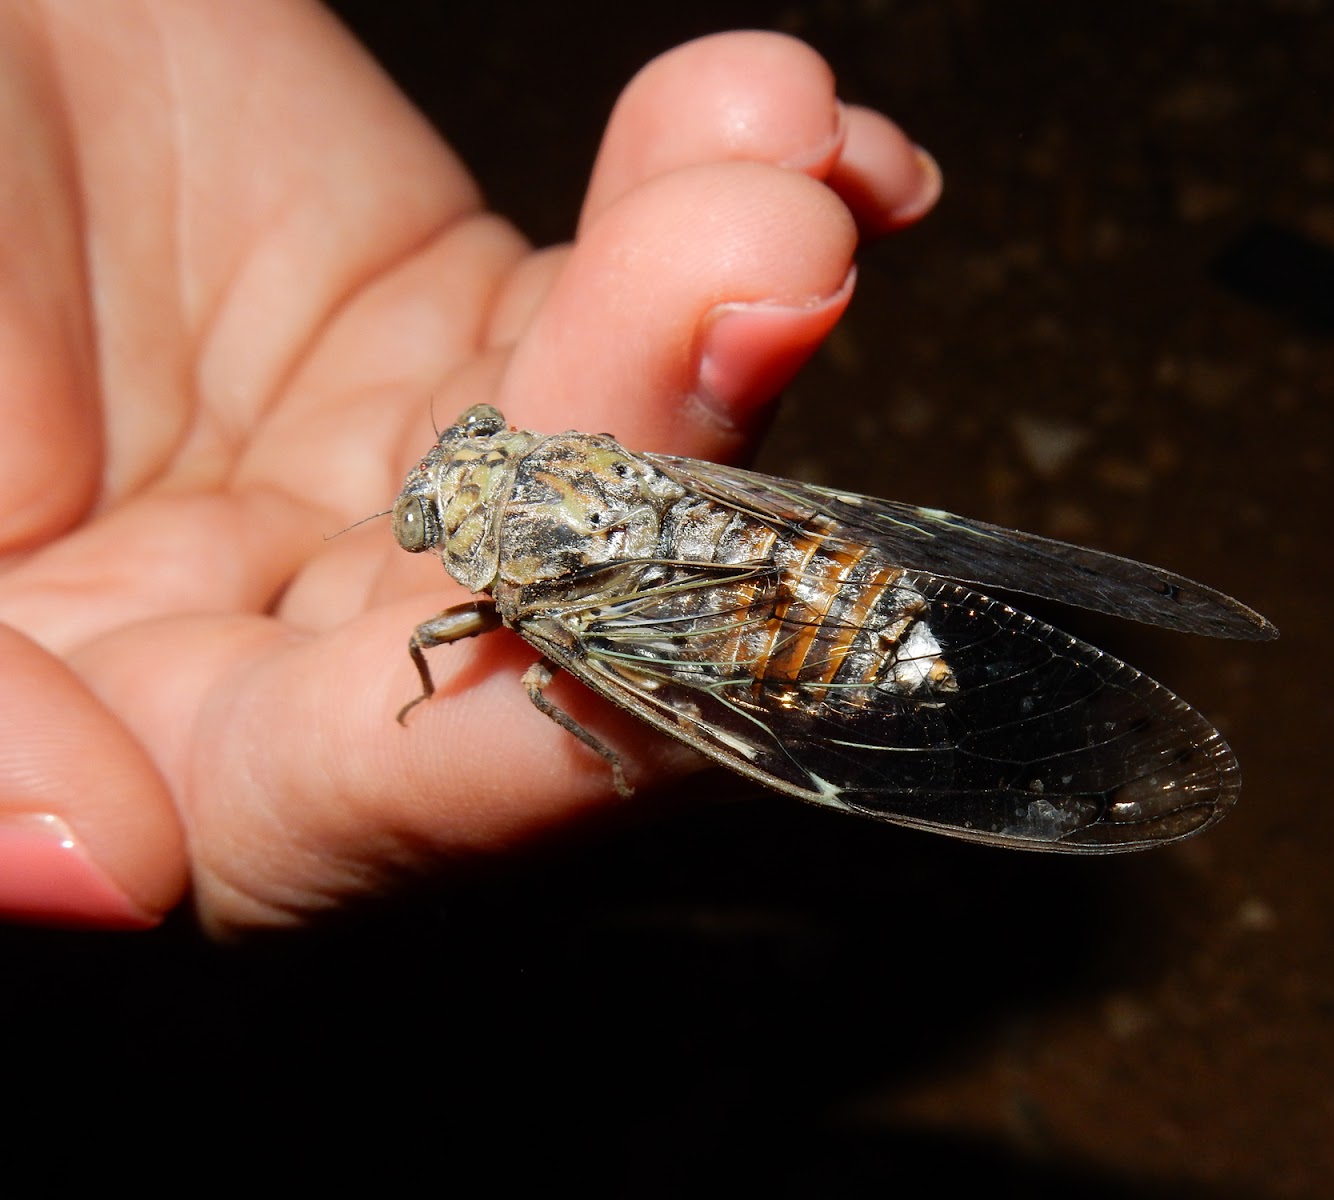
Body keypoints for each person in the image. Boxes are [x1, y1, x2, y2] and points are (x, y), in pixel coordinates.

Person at [0, 5, 939, 934]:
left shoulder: (518, 609)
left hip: (753, 621)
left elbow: (492, 662)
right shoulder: (572, 459)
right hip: (815, 572)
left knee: (547, 688)